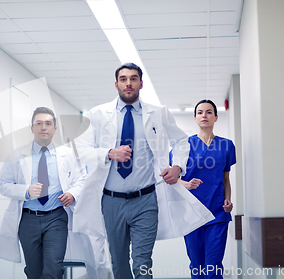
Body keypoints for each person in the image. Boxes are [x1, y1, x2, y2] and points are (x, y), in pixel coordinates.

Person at [74, 63, 214, 279]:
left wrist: (177, 167)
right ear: (116, 84)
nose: (128, 83)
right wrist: (110, 153)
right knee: (119, 262)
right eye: (123, 79)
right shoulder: (98, 114)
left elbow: (181, 141)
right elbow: (80, 149)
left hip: (146, 200)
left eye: (133, 78)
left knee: (142, 263)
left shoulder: (158, 113)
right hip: (111, 202)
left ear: (141, 83)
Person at [0, 107, 85, 278]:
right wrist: (26, 191)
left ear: (54, 129)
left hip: (56, 218)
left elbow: (81, 179)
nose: (44, 127)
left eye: (48, 123)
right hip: (28, 220)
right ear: (32, 128)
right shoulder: (16, 155)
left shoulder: (67, 154)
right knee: (34, 271)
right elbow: (2, 184)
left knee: (53, 268)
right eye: (39, 123)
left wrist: (72, 193)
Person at [171, 99, 236, 279]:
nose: (204, 115)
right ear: (195, 118)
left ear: (216, 117)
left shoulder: (226, 145)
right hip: (191, 213)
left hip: (217, 213)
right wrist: (186, 184)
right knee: (197, 267)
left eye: (208, 112)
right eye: (200, 112)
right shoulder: (184, 145)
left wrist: (228, 200)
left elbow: (225, 178)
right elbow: (171, 178)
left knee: (213, 267)